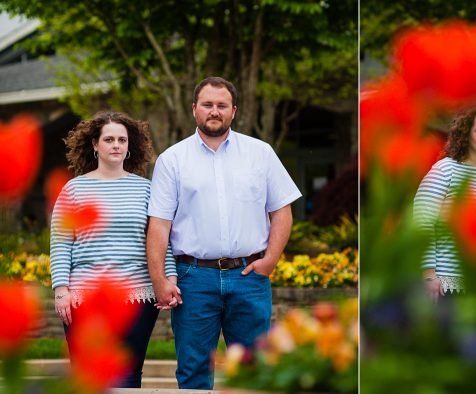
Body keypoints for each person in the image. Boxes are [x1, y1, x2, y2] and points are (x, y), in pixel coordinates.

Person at [146, 76, 302, 390]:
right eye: (207, 104)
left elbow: (282, 211)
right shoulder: (172, 160)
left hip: (248, 277)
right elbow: (159, 225)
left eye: (221, 105)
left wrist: (270, 260)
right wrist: (160, 280)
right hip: (193, 278)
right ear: (194, 109)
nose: (214, 111)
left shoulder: (261, 153)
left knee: (255, 371)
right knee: (193, 373)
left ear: (233, 111)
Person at [50, 111, 176, 388]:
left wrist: (169, 279)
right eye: (109, 139)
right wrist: (61, 291)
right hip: (84, 297)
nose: (116, 145)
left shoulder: (146, 189)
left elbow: (160, 239)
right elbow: (60, 243)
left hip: (136, 296)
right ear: (95, 144)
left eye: (122, 139)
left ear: (130, 145)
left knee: (128, 374)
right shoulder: (74, 189)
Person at [415, 103, 476, 299]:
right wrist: (429, 274)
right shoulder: (445, 170)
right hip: (448, 283)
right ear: (466, 135)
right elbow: (423, 222)